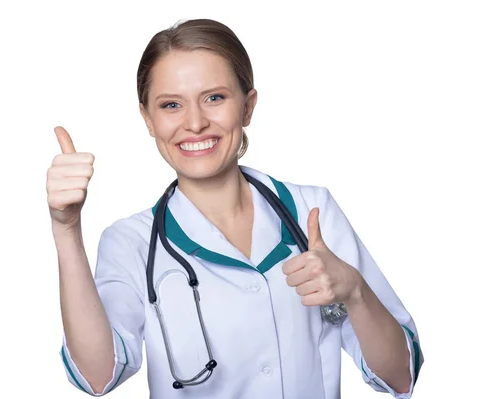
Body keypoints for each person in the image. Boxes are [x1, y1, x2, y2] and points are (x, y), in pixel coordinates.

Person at [47, 18, 423, 399]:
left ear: (248, 106)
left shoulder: (312, 212)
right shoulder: (132, 242)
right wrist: (66, 229)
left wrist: (355, 291)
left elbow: (400, 375)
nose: (194, 123)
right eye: (171, 105)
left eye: (215, 98)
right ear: (148, 119)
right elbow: (97, 377)